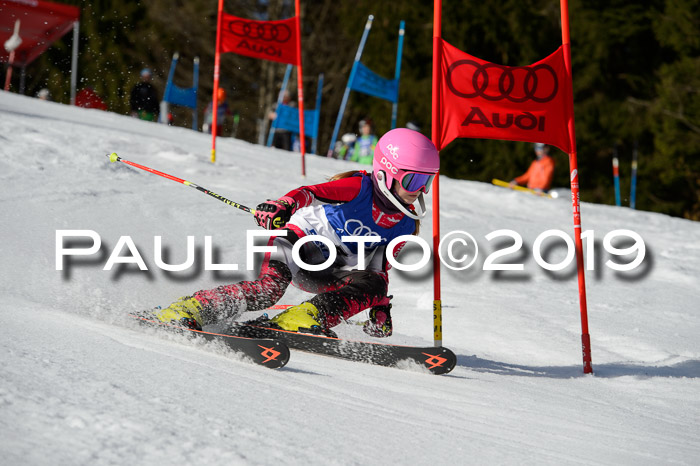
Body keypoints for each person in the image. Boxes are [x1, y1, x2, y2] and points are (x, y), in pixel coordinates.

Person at [147, 128, 440, 338]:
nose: (420, 191)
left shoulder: (405, 225)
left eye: (427, 181)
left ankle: (299, 319)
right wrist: (283, 205)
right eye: (413, 180)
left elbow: (378, 268)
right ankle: (191, 309)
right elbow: (309, 193)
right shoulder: (359, 188)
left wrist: (380, 307)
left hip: (330, 271)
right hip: (298, 245)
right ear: (386, 171)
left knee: (374, 284)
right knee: (268, 291)